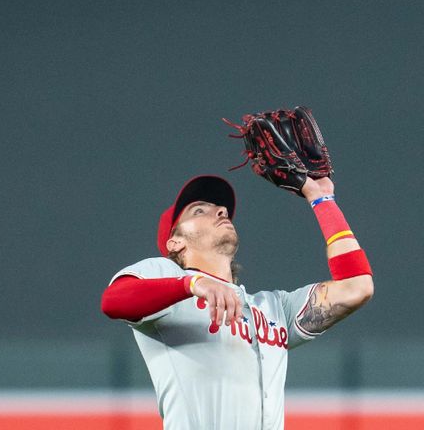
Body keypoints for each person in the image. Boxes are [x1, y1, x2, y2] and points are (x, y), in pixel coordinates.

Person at [100, 173, 373, 430]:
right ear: (175, 242)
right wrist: (192, 284)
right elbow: (114, 301)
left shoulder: (275, 309)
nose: (219, 210)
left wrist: (321, 198)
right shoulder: (167, 276)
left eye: (221, 208)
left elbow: (356, 286)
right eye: (199, 210)